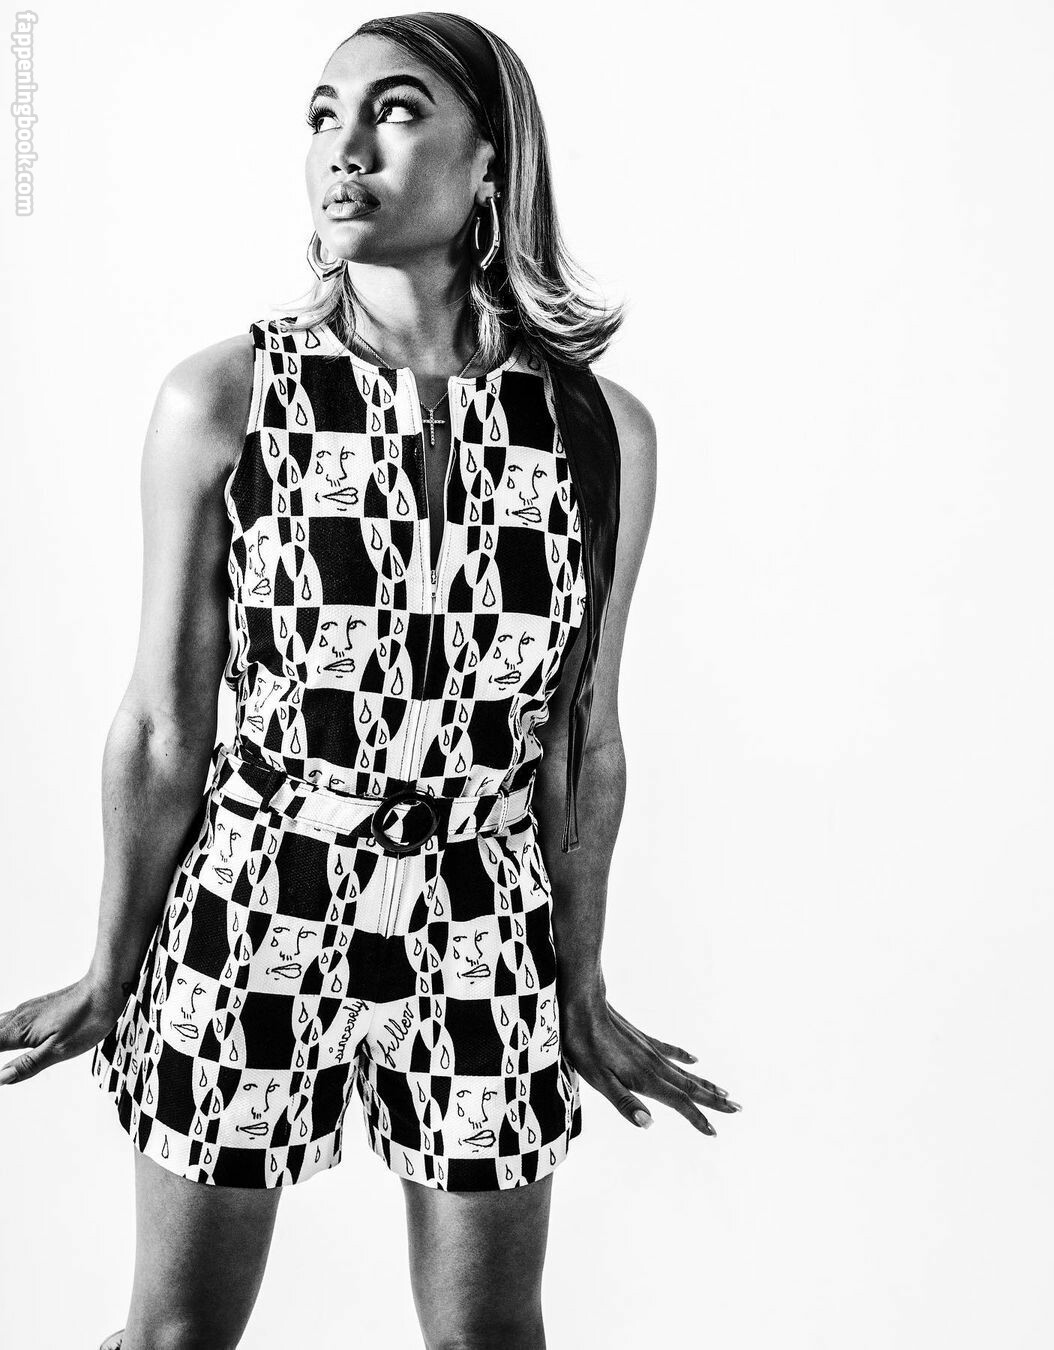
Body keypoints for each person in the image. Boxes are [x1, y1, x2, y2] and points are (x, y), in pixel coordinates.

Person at [0, 13, 739, 1349]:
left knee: (489, 1337)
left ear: (493, 161)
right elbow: (163, 725)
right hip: (258, 892)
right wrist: (112, 972)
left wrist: (578, 985)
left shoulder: (596, 429)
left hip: (483, 910)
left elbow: (583, 738)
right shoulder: (225, 398)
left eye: (395, 111)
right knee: (175, 1338)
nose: (345, 148)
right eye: (323, 116)